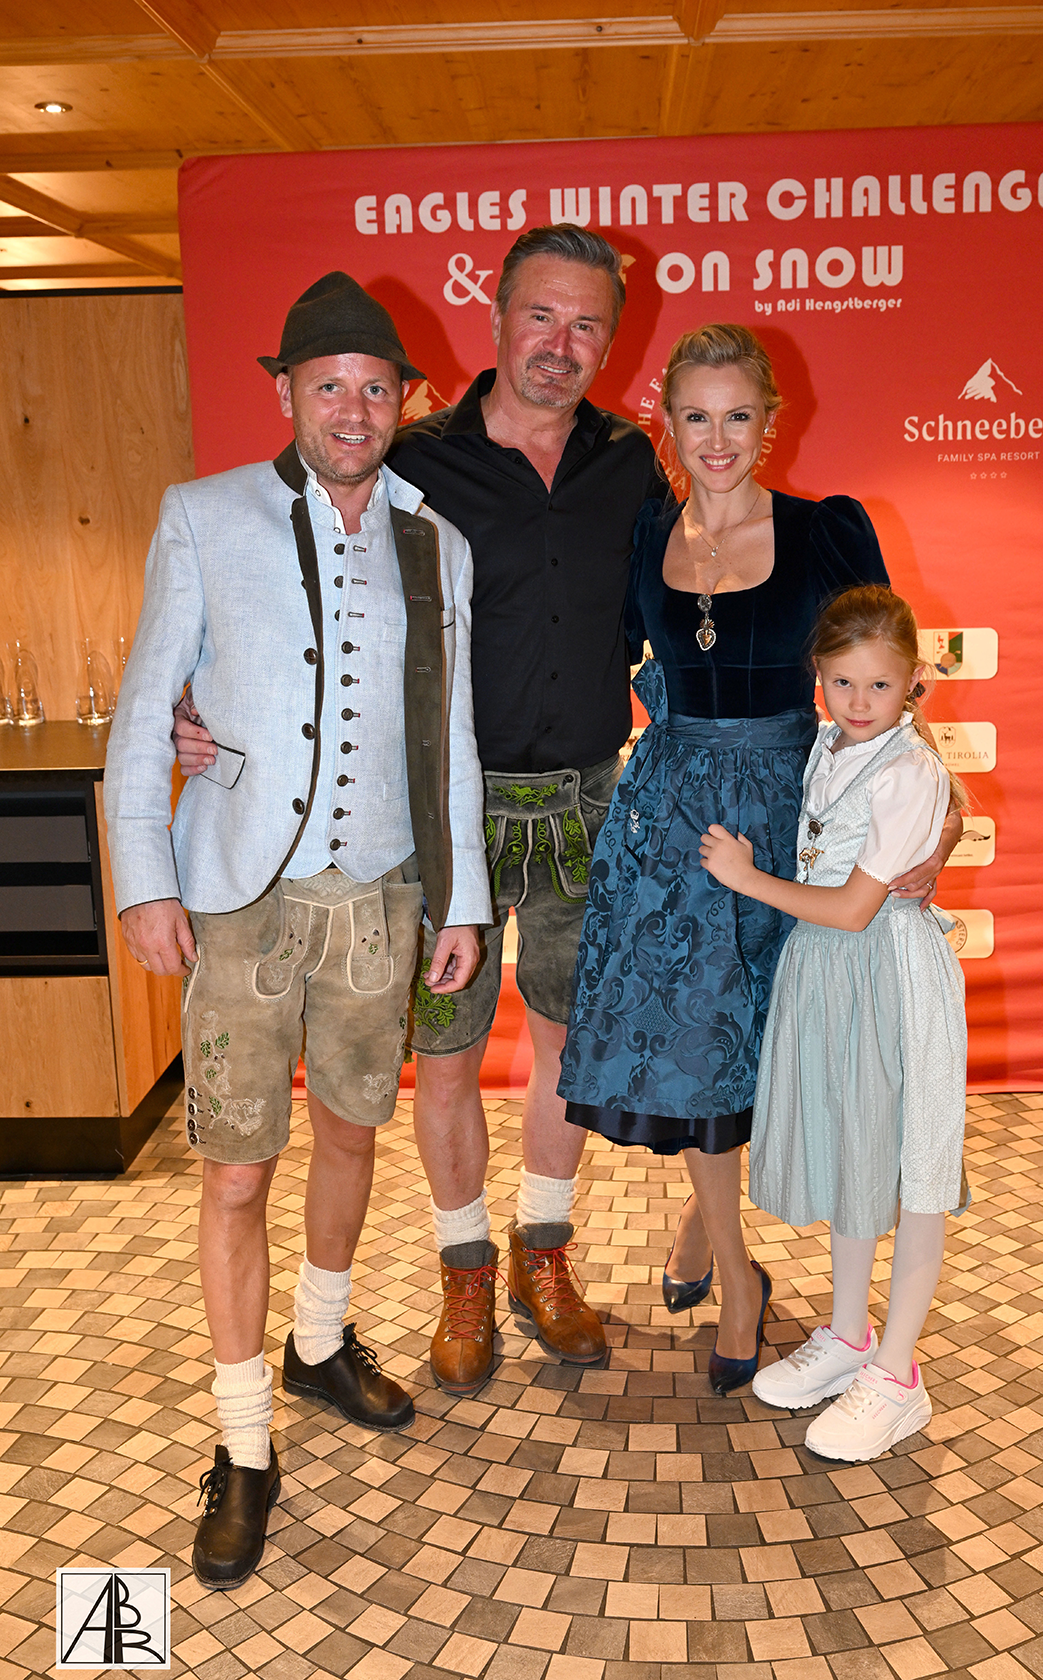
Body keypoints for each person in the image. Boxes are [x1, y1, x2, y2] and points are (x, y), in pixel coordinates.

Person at [173, 227, 665, 1398]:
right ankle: (464, 1270)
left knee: (569, 1046)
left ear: (611, 340)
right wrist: (202, 704)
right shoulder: (415, 459)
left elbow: (679, 602)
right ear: (495, 318)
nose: (561, 344)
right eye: (541, 315)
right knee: (444, 1056)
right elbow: (279, 574)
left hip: (590, 796)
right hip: (448, 809)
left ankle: (544, 1254)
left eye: (587, 324)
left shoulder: (632, 463)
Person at [105, 271, 489, 1588]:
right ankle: (241, 1441)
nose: (353, 409)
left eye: (377, 388)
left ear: (405, 401)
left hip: (379, 893)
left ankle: (319, 1341)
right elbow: (146, 705)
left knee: (350, 1131)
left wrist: (463, 898)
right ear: (286, 392)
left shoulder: (439, 541)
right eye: (329, 385)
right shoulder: (203, 515)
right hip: (240, 899)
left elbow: (450, 738)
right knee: (232, 1172)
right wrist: (145, 878)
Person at [557, 325, 961, 1396]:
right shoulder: (646, 534)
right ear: (667, 423)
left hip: (796, 815)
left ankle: (705, 1219)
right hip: (677, 822)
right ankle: (738, 1277)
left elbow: (889, 679)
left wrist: (943, 825)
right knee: (696, 1043)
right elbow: (599, 656)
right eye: (696, 416)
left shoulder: (827, 532)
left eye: (739, 415)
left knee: (776, 1039)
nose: (718, 438)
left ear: (771, 422)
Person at [700, 584, 968, 1460]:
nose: (859, 702)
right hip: (827, 973)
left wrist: (747, 879)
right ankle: (850, 1335)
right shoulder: (826, 743)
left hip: (888, 976)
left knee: (914, 1168)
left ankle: (897, 1375)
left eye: (880, 686)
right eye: (843, 682)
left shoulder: (909, 771)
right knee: (857, 1150)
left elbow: (855, 909)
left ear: (915, 681)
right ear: (817, 673)